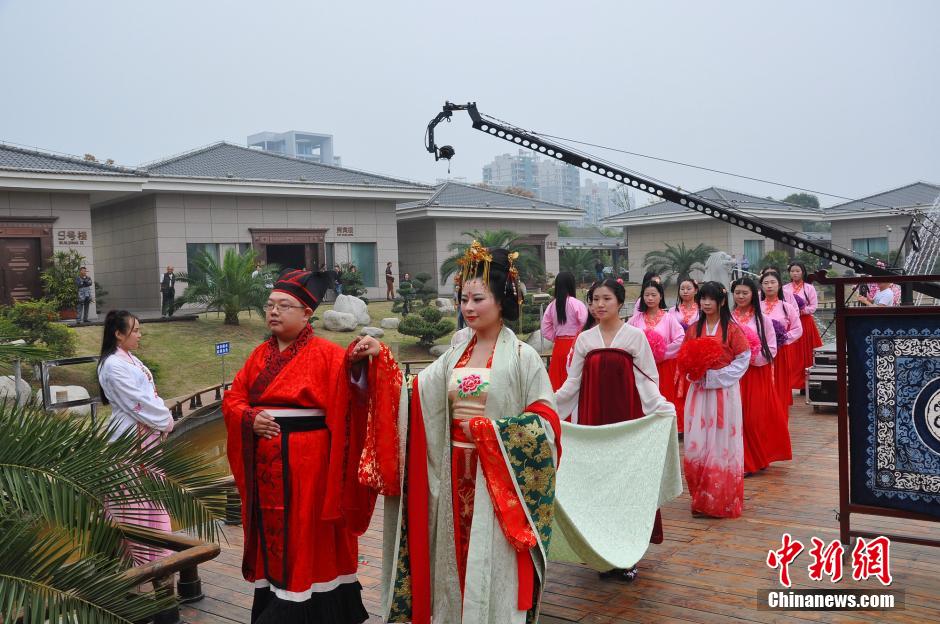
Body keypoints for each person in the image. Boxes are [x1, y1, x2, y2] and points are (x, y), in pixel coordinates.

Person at [383, 243, 561, 624]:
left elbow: (546, 424)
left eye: (478, 299)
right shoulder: (456, 353)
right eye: (463, 299)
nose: (468, 307)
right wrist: (379, 364)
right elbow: (414, 394)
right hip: (452, 476)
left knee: (490, 564)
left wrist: (491, 432)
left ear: (502, 300)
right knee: (454, 565)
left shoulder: (523, 357)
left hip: (496, 480)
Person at [223, 269, 401, 624]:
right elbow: (234, 398)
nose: (274, 311)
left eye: (284, 306)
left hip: (311, 466)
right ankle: (279, 602)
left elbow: (357, 398)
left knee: (308, 533)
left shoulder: (328, 354)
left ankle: (311, 606)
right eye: (270, 305)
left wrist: (368, 360)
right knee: (277, 536)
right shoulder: (258, 356)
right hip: (266, 464)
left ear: (307, 314)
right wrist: (248, 417)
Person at [555, 278, 679, 581]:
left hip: (627, 422)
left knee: (627, 485)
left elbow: (647, 381)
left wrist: (661, 408)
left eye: (606, 298)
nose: (599, 304)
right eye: (595, 299)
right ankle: (601, 552)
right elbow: (572, 385)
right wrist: (548, 407)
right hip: (594, 422)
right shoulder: (584, 340)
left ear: (620, 302)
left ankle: (627, 555)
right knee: (597, 484)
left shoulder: (635, 337)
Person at [97, 310, 174, 564]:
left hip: (145, 433)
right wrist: (165, 419)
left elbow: (150, 395)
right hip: (129, 437)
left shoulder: (130, 359)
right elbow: (137, 402)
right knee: (132, 498)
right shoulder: (112, 365)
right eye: (136, 330)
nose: (140, 335)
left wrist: (161, 417)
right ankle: (137, 559)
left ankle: (157, 555)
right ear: (119, 334)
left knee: (150, 494)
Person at [679, 281, 749, 518]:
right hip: (699, 391)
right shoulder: (693, 329)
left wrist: (715, 376)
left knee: (721, 442)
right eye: (703, 299)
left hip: (724, 392)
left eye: (711, 299)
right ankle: (700, 499)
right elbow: (684, 358)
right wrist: (694, 372)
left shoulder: (732, 329)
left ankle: (721, 499)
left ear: (721, 301)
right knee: (697, 442)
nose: (706, 303)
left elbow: (743, 359)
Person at [730, 278, 791, 474]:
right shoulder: (728, 319)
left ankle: (758, 457)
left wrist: (750, 357)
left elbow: (771, 348)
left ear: (753, 295)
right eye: (737, 293)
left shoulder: (762, 319)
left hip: (755, 372)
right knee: (735, 416)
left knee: (753, 417)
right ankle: (744, 461)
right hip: (732, 374)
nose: (740, 296)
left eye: (745, 293)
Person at [628, 280, 685, 435]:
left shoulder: (669, 318)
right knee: (643, 397)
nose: (650, 298)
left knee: (663, 397)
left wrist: (662, 353)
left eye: (654, 295)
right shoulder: (635, 319)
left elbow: (680, 339)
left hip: (663, 366)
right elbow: (627, 338)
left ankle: (664, 432)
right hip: (641, 368)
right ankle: (644, 431)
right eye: (646, 295)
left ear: (660, 296)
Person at [759, 271, 802, 409]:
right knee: (761, 383)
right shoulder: (756, 307)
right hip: (760, 351)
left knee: (779, 383)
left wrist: (783, 338)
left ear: (779, 285)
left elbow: (798, 329)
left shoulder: (786, 307)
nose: (769, 286)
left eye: (773, 282)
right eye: (766, 283)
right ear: (761, 286)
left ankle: (779, 411)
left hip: (780, 351)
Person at [541, 271, 588, 390]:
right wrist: (578, 335)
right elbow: (585, 323)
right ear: (572, 284)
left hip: (559, 346)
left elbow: (545, 329)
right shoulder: (577, 304)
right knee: (576, 383)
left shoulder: (551, 306)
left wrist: (556, 337)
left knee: (558, 383)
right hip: (576, 345)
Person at [783, 262, 822, 393]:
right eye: (792, 271)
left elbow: (813, 307)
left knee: (806, 353)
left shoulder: (809, 288)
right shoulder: (784, 288)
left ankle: (806, 384)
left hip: (805, 322)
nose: (795, 273)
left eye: (797, 271)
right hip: (790, 323)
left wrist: (801, 311)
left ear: (803, 272)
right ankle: (790, 382)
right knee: (791, 353)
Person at [667, 277, 699, 433]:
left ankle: (694, 425)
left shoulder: (702, 309)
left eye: (689, 288)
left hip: (695, 354)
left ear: (696, 290)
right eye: (682, 289)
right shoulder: (672, 311)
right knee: (676, 392)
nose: (685, 291)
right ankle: (680, 426)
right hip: (677, 355)